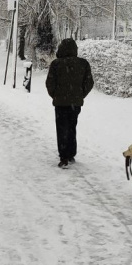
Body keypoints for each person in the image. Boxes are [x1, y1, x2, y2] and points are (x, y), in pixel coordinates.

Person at [45, 38, 94, 169]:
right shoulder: (83, 64)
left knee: (62, 128)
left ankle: (64, 156)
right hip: (75, 103)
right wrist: (80, 95)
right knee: (72, 126)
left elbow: (49, 83)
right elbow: (89, 83)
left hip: (60, 103)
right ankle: (71, 153)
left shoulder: (56, 64)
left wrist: (55, 95)